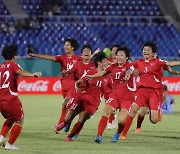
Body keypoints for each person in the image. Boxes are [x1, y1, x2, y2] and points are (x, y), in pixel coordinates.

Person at [119, 41, 180, 140]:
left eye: (148, 50)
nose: (146, 51)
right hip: (141, 91)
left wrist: (177, 70)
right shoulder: (139, 62)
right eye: (144, 50)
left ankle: (154, 111)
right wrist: (128, 73)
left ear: (153, 53)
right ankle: (123, 134)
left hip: (154, 92)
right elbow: (130, 67)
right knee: (134, 109)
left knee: (154, 120)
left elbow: (170, 65)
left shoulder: (158, 62)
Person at [54, 52, 110, 142]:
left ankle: (69, 137)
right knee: (70, 115)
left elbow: (110, 90)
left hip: (94, 102)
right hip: (84, 97)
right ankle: (63, 124)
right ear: (99, 63)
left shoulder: (108, 77)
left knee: (82, 118)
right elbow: (80, 81)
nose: (107, 63)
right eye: (105, 61)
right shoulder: (90, 72)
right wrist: (77, 85)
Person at [28, 38, 82, 130]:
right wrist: (36, 55)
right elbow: (49, 57)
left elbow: (88, 61)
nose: (65, 46)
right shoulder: (62, 57)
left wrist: (95, 55)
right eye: (65, 45)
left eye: (68, 45)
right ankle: (67, 121)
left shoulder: (78, 59)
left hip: (73, 85)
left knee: (65, 103)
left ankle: (60, 125)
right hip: (64, 86)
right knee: (67, 106)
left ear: (73, 47)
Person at [87, 47, 135, 143]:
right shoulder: (113, 66)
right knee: (106, 111)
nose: (119, 56)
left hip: (127, 98)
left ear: (126, 58)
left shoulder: (130, 66)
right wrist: (92, 76)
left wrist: (127, 75)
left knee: (121, 121)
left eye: (122, 55)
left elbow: (129, 71)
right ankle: (99, 136)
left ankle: (118, 132)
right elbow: (102, 73)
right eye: (118, 55)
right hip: (114, 95)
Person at [0, 45, 41, 150]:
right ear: (14, 56)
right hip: (11, 98)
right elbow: (20, 72)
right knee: (20, 119)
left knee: (11, 118)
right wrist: (32, 75)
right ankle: (10, 145)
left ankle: (1, 137)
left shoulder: (1, 66)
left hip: (1, 99)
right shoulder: (13, 65)